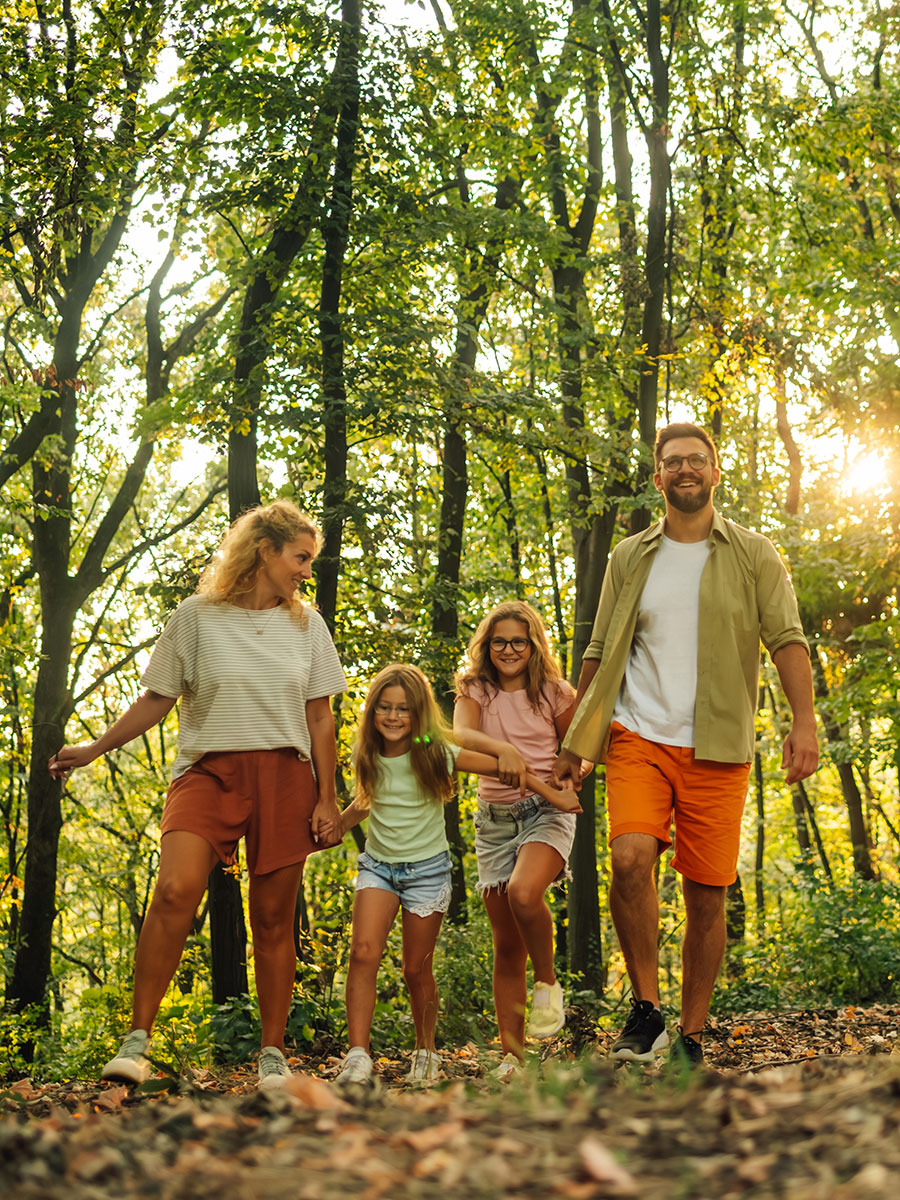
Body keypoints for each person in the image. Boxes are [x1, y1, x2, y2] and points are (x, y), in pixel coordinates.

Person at [49, 499, 347, 1091]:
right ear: (265, 551)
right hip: (207, 771)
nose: (307, 571)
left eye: (310, 561)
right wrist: (94, 748)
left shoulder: (309, 625)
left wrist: (327, 797)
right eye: (300, 558)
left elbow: (321, 718)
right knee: (175, 889)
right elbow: (157, 700)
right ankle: (137, 1042)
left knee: (271, 917)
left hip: (286, 775)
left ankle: (271, 1053)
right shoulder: (195, 617)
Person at [554, 423, 819, 1070]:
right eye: (672, 461)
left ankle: (692, 1034)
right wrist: (575, 741)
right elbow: (597, 650)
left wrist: (803, 723)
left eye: (697, 459)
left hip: (718, 746)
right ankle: (646, 1008)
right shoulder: (629, 556)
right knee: (629, 858)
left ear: (716, 472)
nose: (685, 469)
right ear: (658, 479)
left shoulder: (755, 554)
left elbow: (787, 639)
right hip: (637, 735)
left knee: (707, 895)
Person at [333, 663, 578, 1087]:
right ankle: (358, 1055)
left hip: (426, 871)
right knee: (363, 952)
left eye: (403, 709)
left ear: (419, 714)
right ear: (372, 711)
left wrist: (548, 789)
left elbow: (508, 771)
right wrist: (334, 826)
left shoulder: (433, 749)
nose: (393, 717)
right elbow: (366, 799)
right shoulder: (368, 752)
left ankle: (426, 1050)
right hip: (378, 866)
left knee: (415, 969)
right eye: (384, 708)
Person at [453, 601, 582, 1080]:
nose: (508, 650)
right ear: (487, 646)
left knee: (524, 893)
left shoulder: (553, 691)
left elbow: (576, 752)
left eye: (518, 642)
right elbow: (461, 738)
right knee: (506, 945)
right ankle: (512, 1056)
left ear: (533, 646)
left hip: (546, 811)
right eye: (499, 641)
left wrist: (569, 780)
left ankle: (547, 983)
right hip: (494, 822)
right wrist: (503, 750)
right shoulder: (474, 690)